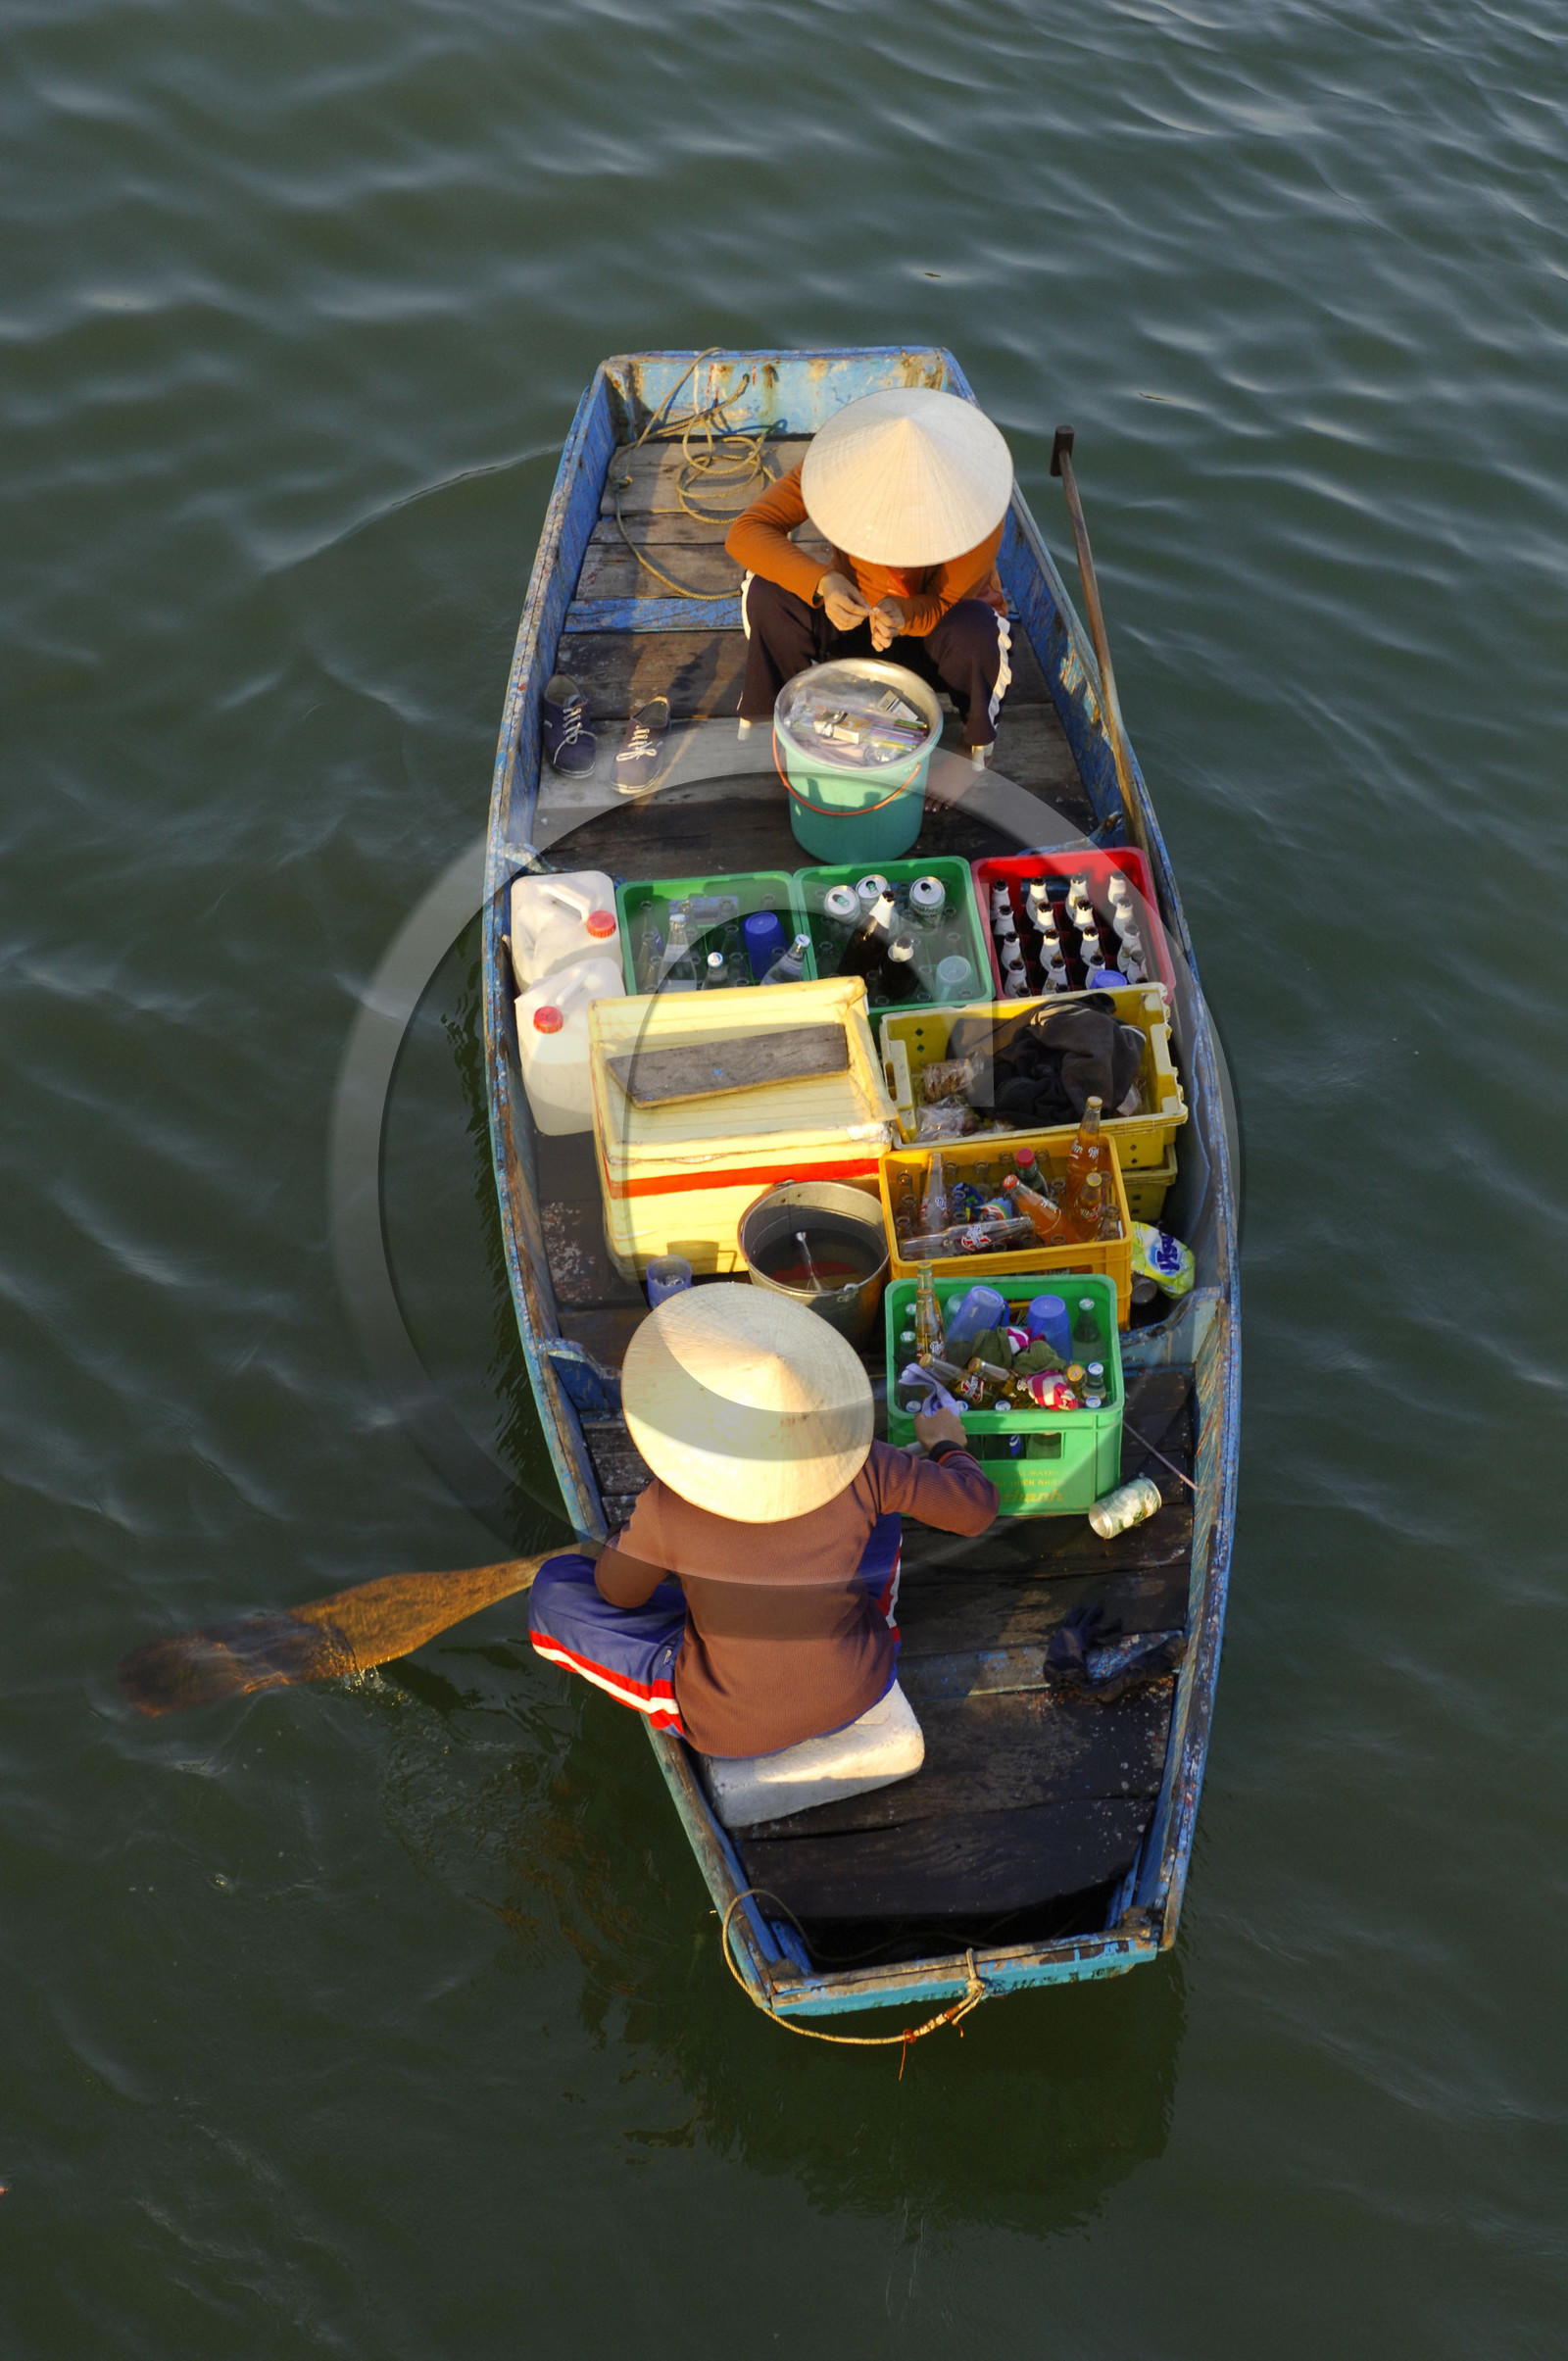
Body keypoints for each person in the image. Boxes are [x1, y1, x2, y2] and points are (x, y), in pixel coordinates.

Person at [527, 1285, 998, 1760]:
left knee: (555, 1588)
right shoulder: (864, 1463)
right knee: (882, 1511)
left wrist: (631, 1542)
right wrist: (947, 1444)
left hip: (731, 1727)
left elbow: (617, 1593)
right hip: (860, 1683)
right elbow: (976, 1509)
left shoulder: (669, 1505)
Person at [725, 385, 1014, 766]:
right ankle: (770, 723)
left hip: (932, 639)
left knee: (978, 628)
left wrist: (903, 613)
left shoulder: (980, 502)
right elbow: (746, 532)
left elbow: (944, 603)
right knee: (766, 591)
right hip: (852, 618)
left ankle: (974, 751)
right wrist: (824, 584)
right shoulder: (833, 463)